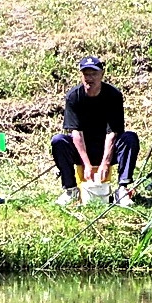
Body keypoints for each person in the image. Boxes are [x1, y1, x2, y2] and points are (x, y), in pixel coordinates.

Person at [51, 56, 140, 208]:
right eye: (86, 74)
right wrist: (86, 164)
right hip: (82, 150)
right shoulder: (74, 97)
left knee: (130, 138)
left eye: (93, 74)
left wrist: (105, 163)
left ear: (102, 74)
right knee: (58, 141)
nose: (89, 78)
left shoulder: (113, 95)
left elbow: (112, 133)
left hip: (108, 149)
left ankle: (122, 189)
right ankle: (71, 190)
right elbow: (76, 133)